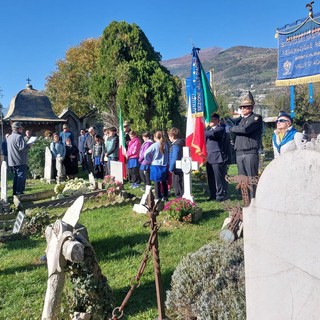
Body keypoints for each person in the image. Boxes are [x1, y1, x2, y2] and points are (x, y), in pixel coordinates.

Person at [230, 91, 263, 199]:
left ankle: (254, 200)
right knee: (242, 179)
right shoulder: (241, 120)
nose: (244, 109)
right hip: (239, 151)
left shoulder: (256, 118)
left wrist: (232, 128)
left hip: (250, 152)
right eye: (242, 107)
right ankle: (246, 201)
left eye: (247, 107)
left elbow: (245, 129)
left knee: (251, 178)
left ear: (252, 107)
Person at [205, 113, 229, 201]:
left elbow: (213, 134)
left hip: (216, 156)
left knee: (218, 177)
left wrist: (201, 132)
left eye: (213, 119)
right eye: (210, 119)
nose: (210, 121)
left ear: (217, 121)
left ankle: (220, 194)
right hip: (208, 156)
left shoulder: (220, 128)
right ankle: (213, 194)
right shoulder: (208, 130)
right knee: (210, 177)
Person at [7, 122, 32, 195]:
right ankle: (19, 192)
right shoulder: (19, 137)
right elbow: (22, 148)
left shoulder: (9, 137)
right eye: (21, 128)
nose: (22, 130)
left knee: (16, 177)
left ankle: (15, 192)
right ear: (17, 129)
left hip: (12, 161)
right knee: (21, 177)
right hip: (20, 160)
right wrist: (29, 145)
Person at [144, 131, 169, 201]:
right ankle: (165, 196)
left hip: (155, 165)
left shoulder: (154, 145)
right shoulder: (165, 145)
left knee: (156, 182)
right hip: (164, 165)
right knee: (164, 182)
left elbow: (146, 153)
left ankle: (158, 197)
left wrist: (148, 160)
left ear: (155, 137)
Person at [168, 127, 184, 198]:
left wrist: (171, 168)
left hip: (177, 168)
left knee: (177, 184)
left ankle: (179, 198)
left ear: (172, 136)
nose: (169, 138)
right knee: (179, 183)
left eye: (169, 136)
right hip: (179, 167)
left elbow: (175, 157)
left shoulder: (176, 144)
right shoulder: (180, 143)